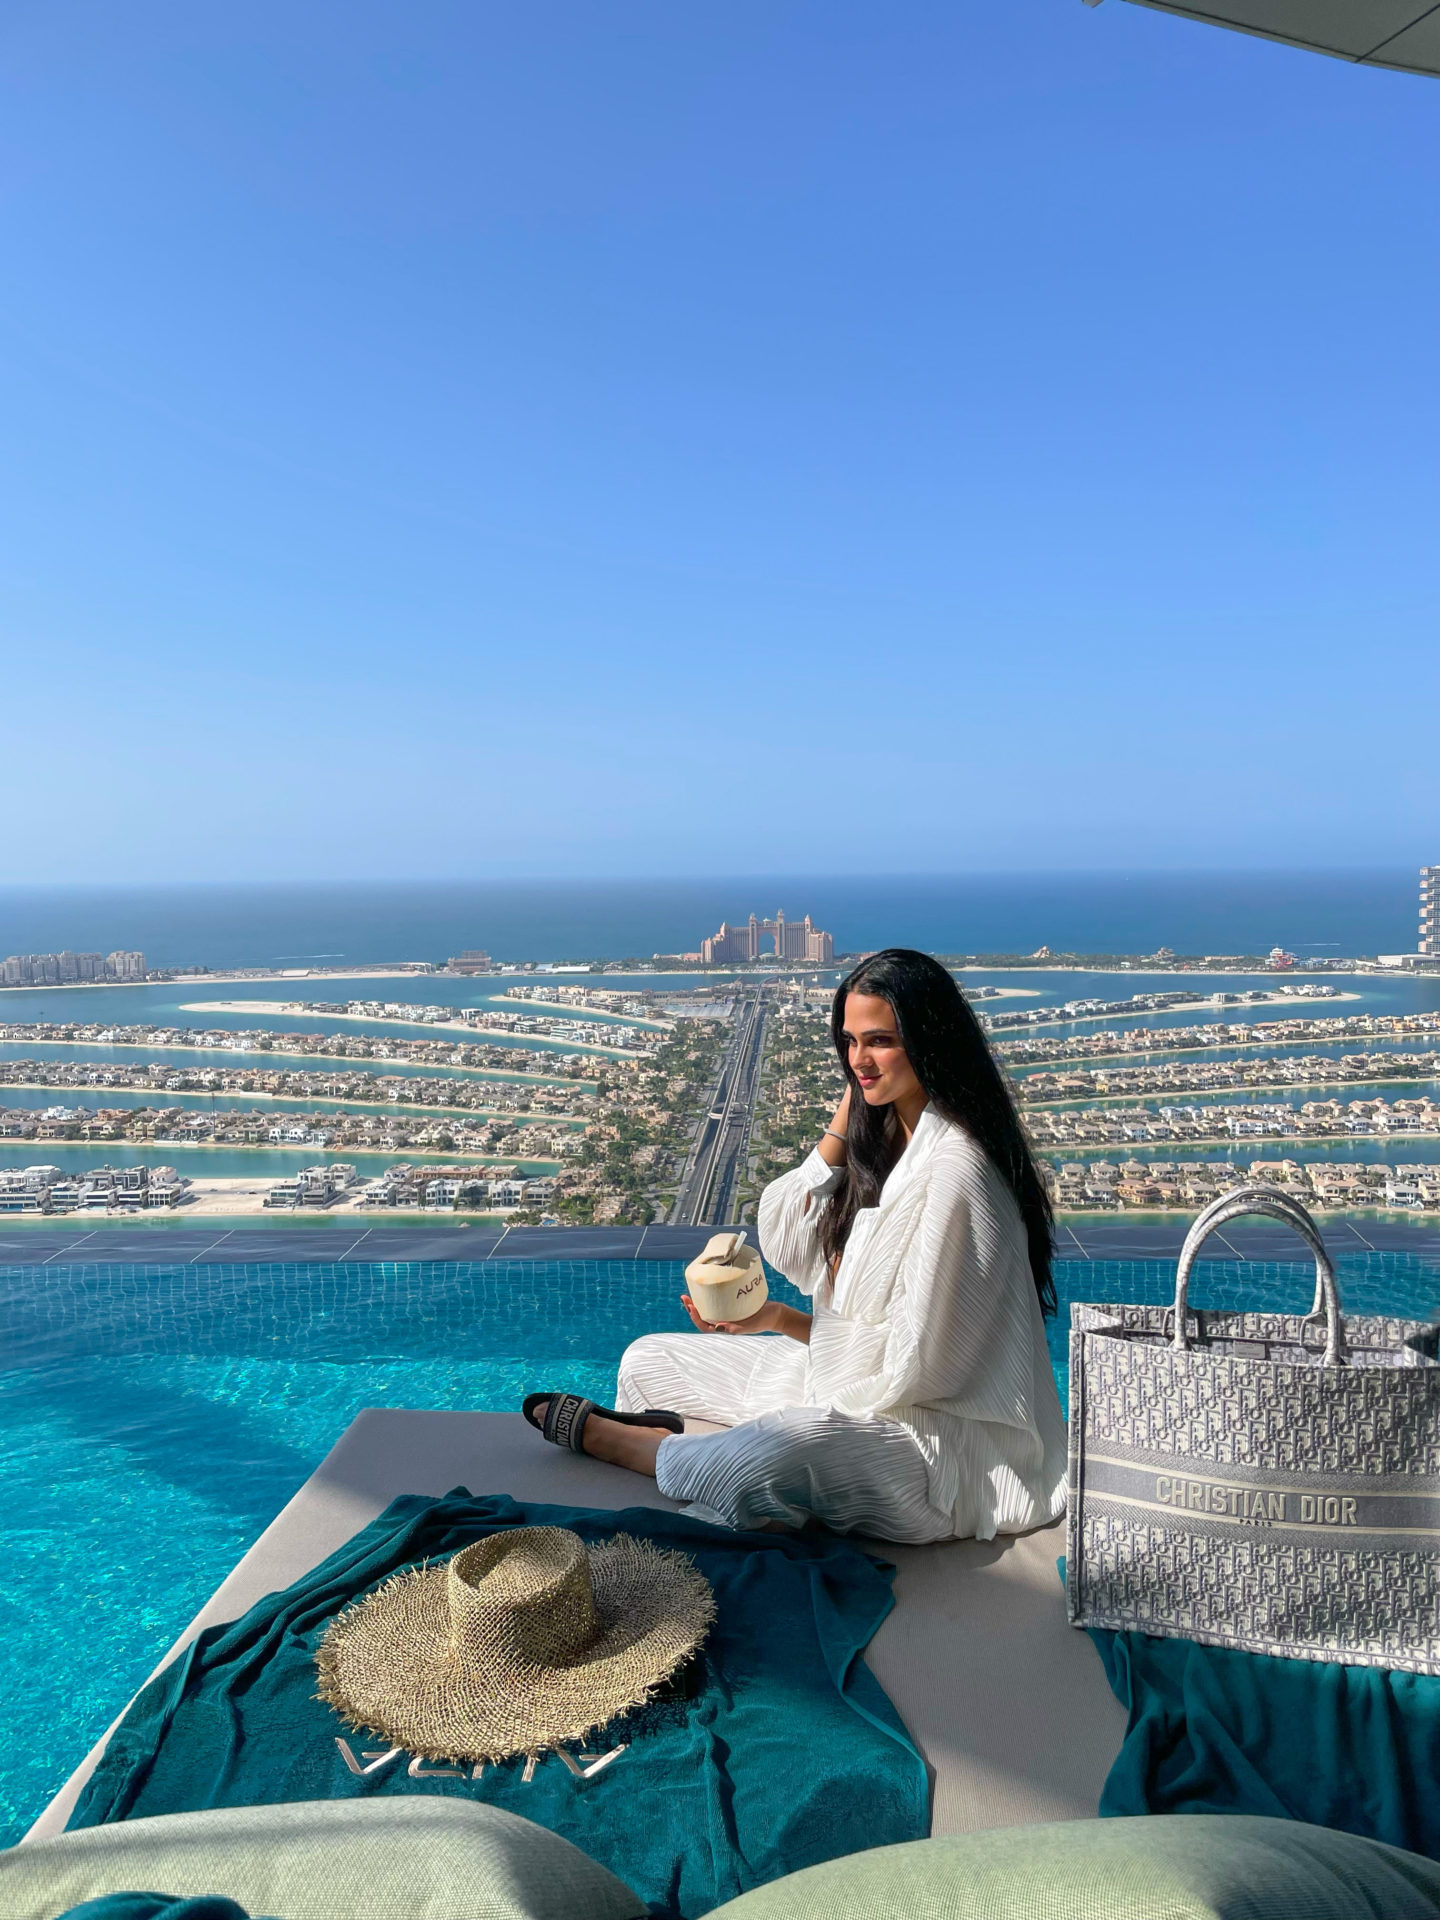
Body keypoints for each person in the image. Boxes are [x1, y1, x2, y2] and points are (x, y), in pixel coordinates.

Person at [525, 948, 1067, 1544]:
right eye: (849, 1042)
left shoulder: (957, 1171)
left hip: (938, 1444)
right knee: (647, 1360)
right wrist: (773, 1317)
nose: (859, 1060)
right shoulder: (885, 1138)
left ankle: (642, 1448)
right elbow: (784, 1233)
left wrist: (805, 1380)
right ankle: (714, 1443)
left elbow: (922, 1367)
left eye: (880, 1041)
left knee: (777, 1456)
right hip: (854, 1385)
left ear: (929, 1040)